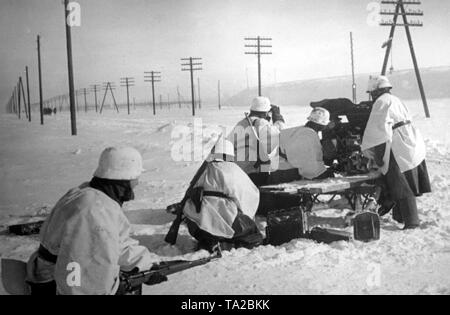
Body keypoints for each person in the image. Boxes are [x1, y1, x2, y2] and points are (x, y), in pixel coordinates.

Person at [26, 147, 162, 295]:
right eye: (135, 177)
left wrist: (145, 264)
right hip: (57, 283)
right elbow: (83, 273)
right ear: (123, 180)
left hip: (58, 272)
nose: (137, 183)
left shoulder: (90, 195)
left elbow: (116, 243)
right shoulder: (94, 212)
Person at [362, 75, 431, 229]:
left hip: (397, 144)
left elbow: (379, 133)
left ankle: (411, 222)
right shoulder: (395, 99)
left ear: (374, 91)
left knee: (401, 183)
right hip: (410, 140)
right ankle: (400, 216)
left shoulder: (380, 102)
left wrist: (378, 157)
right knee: (406, 179)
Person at [183, 139, 263, 252]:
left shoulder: (202, 170)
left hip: (197, 226)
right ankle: (227, 244)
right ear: (229, 154)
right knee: (253, 234)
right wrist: (247, 215)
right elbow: (250, 194)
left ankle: (209, 241)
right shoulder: (233, 170)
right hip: (227, 222)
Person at [256, 107, 335, 216]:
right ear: (321, 125)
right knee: (288, 210)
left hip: (275, 172)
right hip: (288, 175)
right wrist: (326, 173)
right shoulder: (310, 136)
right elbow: (310, 167)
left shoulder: (294, 130)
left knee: (277, 209)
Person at [226, 96, 285, 187]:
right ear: (265, 112)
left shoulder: (241, 123)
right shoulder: (261, 122)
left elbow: (228, 144)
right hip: (254, 172)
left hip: (238, 171)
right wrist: (278, 117)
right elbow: (279, 133)